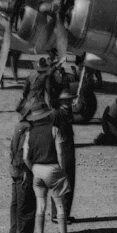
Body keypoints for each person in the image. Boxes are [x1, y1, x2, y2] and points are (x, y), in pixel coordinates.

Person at [22, 102, 78, 233]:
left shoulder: (30, 133)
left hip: (37, 170)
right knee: (59, 204)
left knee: (41, 206)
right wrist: (62, 171)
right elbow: (61, 153)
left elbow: (26, 157)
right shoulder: (54, 130)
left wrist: (33, 168)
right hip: (52, 168)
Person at [8, 111, 37, 233]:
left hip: (14, 167)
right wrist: (26, 170)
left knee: (15, 201)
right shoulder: (29, 129)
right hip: (22, 169)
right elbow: (23, 151)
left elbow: (11, 148)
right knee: (26, 200)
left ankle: (14, 230)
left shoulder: (19, 125)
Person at [50, 88, 76, 225]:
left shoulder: (67, 113)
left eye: (70, 99)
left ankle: (65, 213)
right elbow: (53, 133)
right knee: (62, 183)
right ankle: (57, 215)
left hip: (68, 150)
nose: (69, 102)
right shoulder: (57, 114)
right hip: (61, 151)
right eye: (67, 100)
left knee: (70, 182)